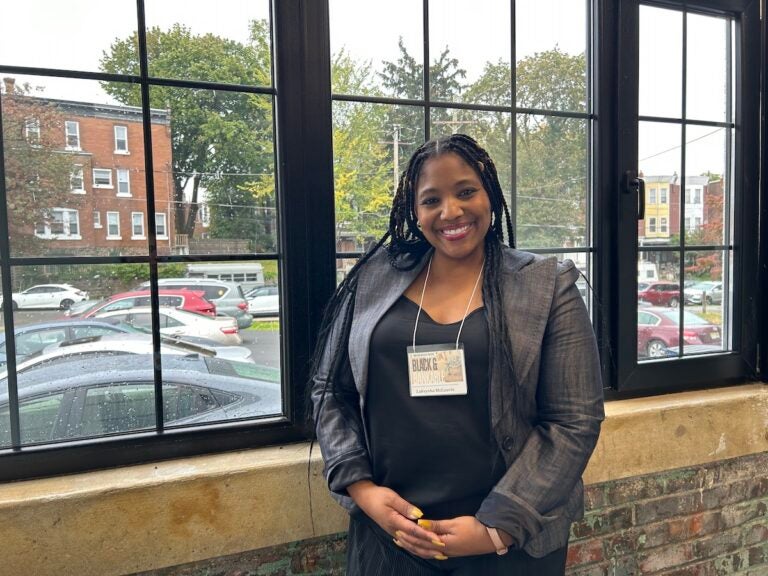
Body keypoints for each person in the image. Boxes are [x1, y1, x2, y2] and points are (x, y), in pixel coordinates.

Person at [310, 133, 604, 575]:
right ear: (414, 211)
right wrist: (363, 490)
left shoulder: (547, 285)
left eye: (466, 191)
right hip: (392, 537)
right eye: (431, 200)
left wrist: (496, 528)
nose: (451, 212)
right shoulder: (372, 279)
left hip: (508, 542)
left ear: (491, 194)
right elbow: (330, 389)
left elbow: (574, 420)